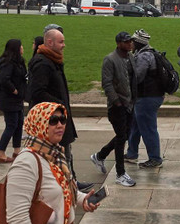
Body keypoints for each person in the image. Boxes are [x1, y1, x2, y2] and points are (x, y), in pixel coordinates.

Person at [7, 102, 99, 224]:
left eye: (63, 119)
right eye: (53, 120)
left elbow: (61, 186)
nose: (60, 125)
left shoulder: (53, 153)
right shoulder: (26, 162)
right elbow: (17, 218)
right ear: (39, 124)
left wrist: (81, 199)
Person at [28, 25, 81, 185]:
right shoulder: (43, 64)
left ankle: (72, 183)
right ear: (50, 42)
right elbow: (37, 92)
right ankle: (67, 186)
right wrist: (59, 105)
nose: (64, 45)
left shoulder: (53, 60)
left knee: (66, 153)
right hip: (52, 120)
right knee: (60, 156)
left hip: (59, 117)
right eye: (61, 42)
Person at [91, 31, 137, 187]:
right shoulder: (110, 59)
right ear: (118, 43)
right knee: (121, 138)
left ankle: (100, 156)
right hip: (117, 106)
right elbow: (107, 83)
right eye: (126, 41)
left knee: (124, 135)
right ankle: (120, 173)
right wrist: (117, 102)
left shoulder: (131, 57)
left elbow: (133, 79)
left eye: (130, 41)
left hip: (130, 104)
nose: (130, 44)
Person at [125, 29, 165, 168]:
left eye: (133, 41)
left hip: (147, 97)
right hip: (151, 95)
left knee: (148, 128)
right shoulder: (150, 53)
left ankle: (155, 158)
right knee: (135, 126)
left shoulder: (143, 57)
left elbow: (138, 77)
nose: (131, 43)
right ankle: (131, 153)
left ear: (138, 42)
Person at [0, 39, 28, 164]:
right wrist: (14, 90)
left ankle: (17, 150)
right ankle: (1, 153)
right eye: (20, 46)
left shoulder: (19, 62)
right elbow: (5, 79)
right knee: (11, 125)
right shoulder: (8, 63)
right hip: (9, 99)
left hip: (17, 98)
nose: (22, 48)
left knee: (19, 124)